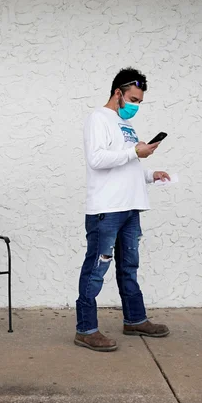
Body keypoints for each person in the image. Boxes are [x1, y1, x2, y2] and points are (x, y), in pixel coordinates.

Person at [73, 68, 171, 352]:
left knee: (129, 266)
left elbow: (126, 163)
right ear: (118, 93)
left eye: (139, 101)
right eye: (133, 99)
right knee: (96, 268)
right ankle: (86, 329)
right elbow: (97, 159)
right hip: (107, 209)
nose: (135, 105)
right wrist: (134, 152)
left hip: (130, 207)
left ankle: (135, 319)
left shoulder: (123, 124)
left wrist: (151, 173)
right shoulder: (97, 119)